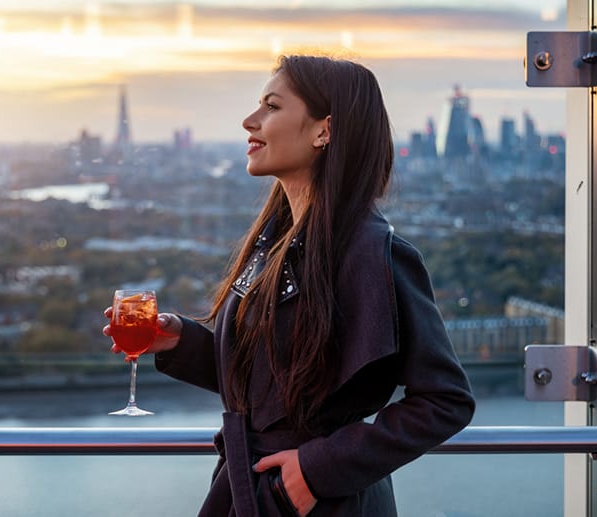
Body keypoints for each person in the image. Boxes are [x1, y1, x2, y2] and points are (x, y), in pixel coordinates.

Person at [103, 54, 475, 517]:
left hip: (321, 502)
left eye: (272, 107)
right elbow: (275, 389)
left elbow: (446, 401)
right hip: (259, 492)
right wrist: (180, 341)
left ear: (325, 130)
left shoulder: (372, 253)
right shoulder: (275, 242)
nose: (250, 120)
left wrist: (317, 469)